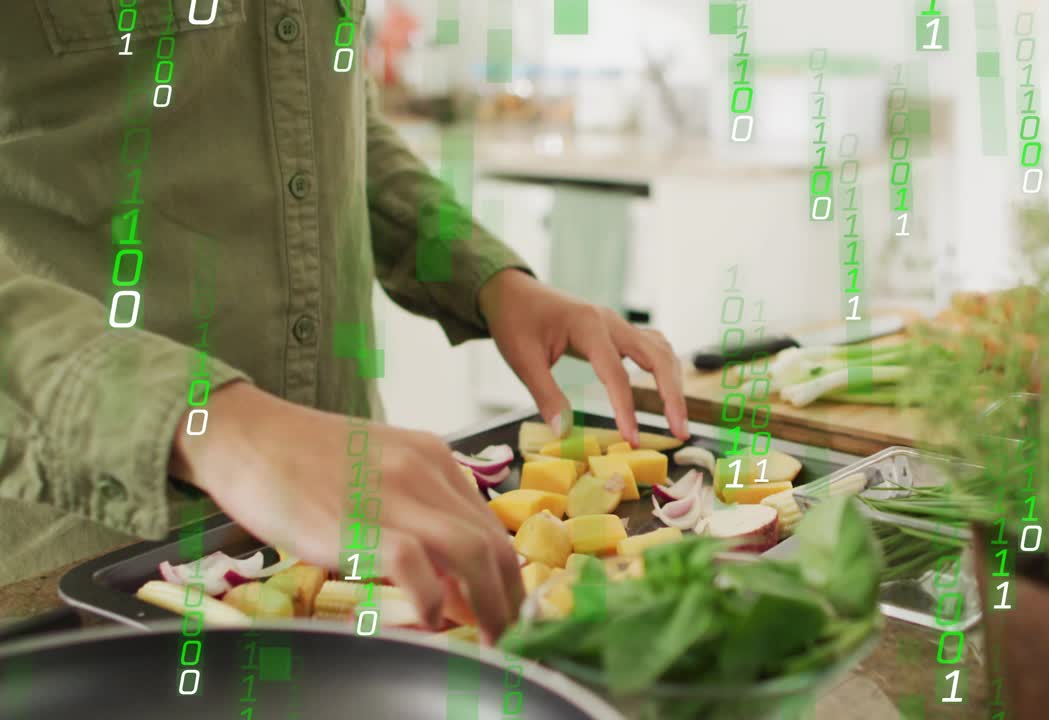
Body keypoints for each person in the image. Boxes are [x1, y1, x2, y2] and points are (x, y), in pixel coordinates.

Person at [0, 3, 688, 644]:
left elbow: (330, 116)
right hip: (84, 574)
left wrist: (487, 277)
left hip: (361, 546)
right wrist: (220, 427)